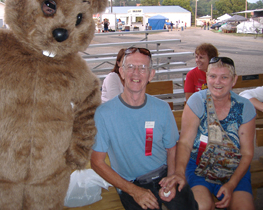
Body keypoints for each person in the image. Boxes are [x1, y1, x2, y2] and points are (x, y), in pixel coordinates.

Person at [91, 47, 198, 210]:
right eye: (131, 67)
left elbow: (171, 149)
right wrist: (134, 191)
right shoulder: (104, 114)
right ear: (121, 72)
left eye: (142, 68)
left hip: (163, 174)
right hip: (131, 183)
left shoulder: (162, 108)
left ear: (151, 74)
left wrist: (171, 177)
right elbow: (97, 163)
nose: (136, 73)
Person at [161, 57, 256, 210]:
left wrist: (231, 184)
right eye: (212, 76)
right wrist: (179, 173)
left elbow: (247, 153)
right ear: (206, 78)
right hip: (199, 166)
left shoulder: (244, 107)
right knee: (202, 206)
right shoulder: (197, 101)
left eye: (224, 77)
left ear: (234, 80)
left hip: (233, 168)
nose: (217, 82)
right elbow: (185, 142)